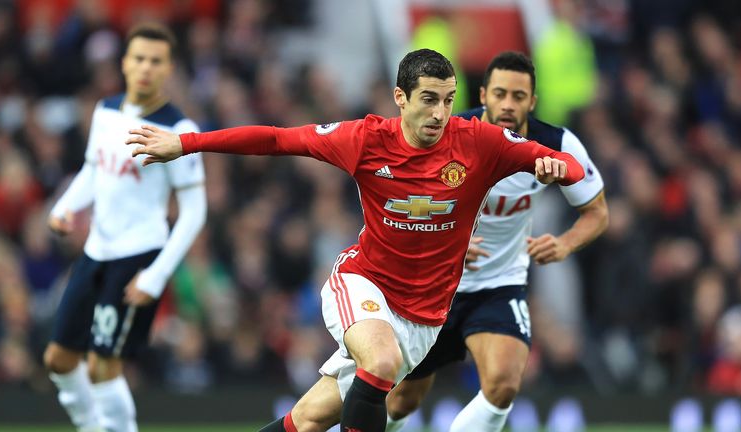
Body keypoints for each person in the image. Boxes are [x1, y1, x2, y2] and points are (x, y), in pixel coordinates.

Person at [127, 48, 584, 432]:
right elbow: (278, 139)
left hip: (423, 320)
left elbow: (570, 166)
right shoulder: (365, 139)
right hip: (364, 283)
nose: (441, 114)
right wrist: (186, 143)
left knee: (306, 420)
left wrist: (555, 167)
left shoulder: (481, 143)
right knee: (380, 360)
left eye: (448, 100)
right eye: (429, 99)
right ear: (400, 98)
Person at [385, 52, 608, 432]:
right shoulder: (448, 134)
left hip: (499, 285)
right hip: (436, 286)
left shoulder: (556, 144)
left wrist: (566, 244)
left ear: (532, 101)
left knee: (503, 384)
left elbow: (598, 212)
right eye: (500, 94)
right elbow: (403, 203)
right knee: (402, 399)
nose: (508, 104)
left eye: (518, 96)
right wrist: (447, 240)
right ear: (484, 95)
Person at [44, 23, 206, 432]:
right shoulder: (106, 111)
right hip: (96, 249)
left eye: (155, 61)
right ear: (124, 63)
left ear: (168, 68)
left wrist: (156, 275)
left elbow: (194, 210)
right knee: (58, 359)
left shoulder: (179, 130)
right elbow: (93, 171)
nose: (145, 68)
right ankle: (92, 427)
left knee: (103, 365)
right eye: (138, 58)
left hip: (139, 254)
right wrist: (65, 207)